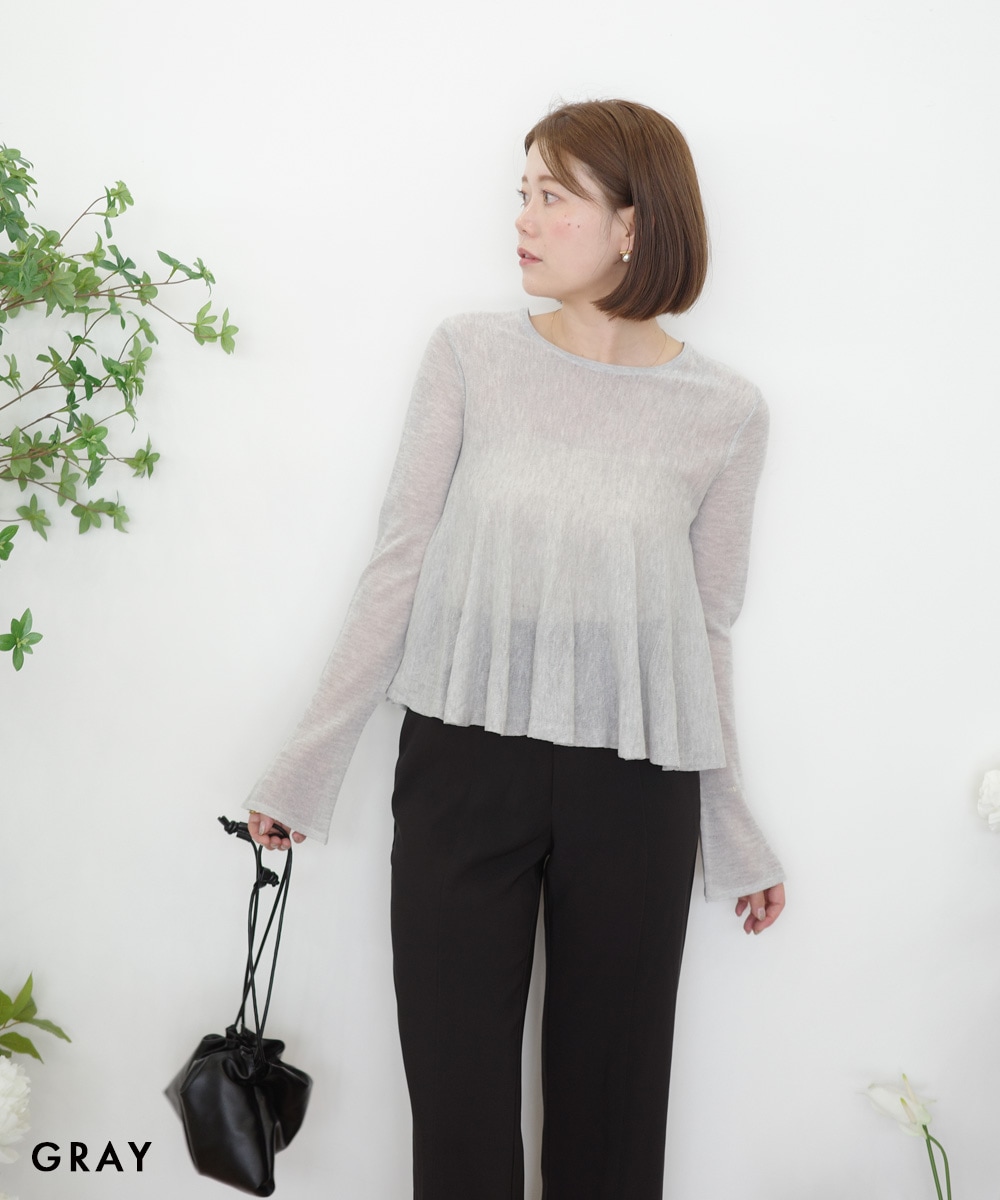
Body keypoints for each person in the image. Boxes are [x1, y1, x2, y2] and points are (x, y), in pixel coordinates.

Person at [244, 97, 785, 1200]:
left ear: (632, 225)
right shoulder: (471, 355)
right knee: (458, 1112)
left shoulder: (725, 412)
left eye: (553, 196)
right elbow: (400, 561)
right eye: (522, 192)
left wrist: (730, 824)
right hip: (462, 763)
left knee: (612, 1122)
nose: (524, 219)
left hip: (638, 784)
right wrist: (307, 765)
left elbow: (706, 630)